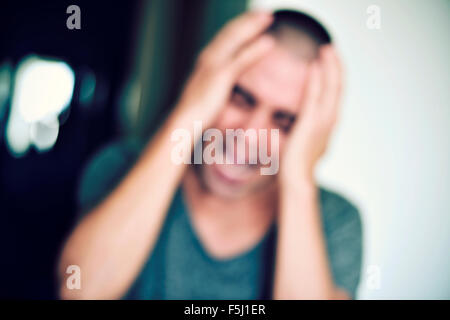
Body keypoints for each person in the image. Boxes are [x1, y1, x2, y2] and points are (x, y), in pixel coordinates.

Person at [57, 9, 363, 300]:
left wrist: (298, 180)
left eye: (284, 122)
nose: (248, 136)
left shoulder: (333, 218)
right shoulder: (120, 165)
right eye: (240, 98)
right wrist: (188, 114)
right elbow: (80, 290)